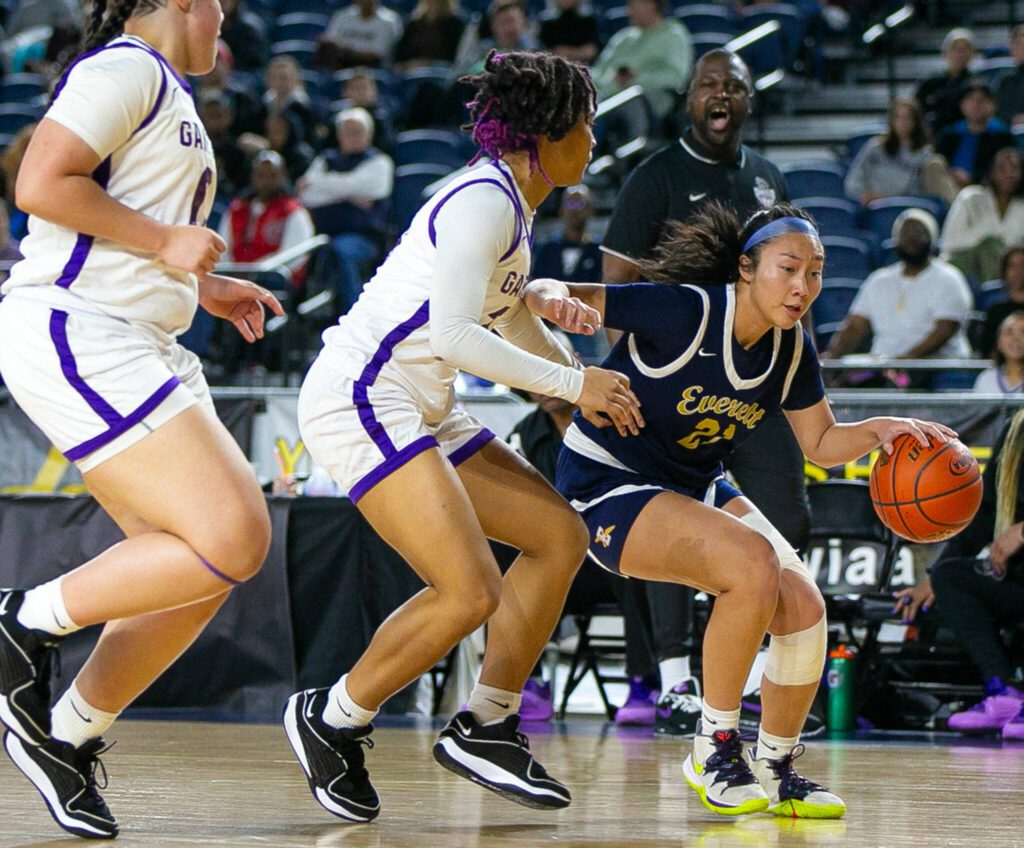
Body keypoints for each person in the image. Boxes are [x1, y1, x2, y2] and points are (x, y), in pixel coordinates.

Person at [282, 50, 642, 822]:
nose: (593, 142)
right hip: (364, 394)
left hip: (424, 403)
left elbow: (505, 320)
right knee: (470, 589)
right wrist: (579, 387)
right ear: (546, 134)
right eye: (585, 127)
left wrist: (576, 376)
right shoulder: (484, 199)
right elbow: (452, 335)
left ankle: (487, 723)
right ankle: (335, 715)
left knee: (557, 535)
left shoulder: (515, 204)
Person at [528, 201, 953, 817]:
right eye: (788, 268)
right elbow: (548, 289)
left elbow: (822, 444)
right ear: (745, 270)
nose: (803, 286)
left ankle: (777, 767)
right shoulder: (688, 310)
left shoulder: (791, 348)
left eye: (815, 272)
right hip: (606, 482)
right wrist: (554, 303)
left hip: (693, 483)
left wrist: (882, 428)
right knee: (752, 564)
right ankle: (713, 747)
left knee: (805, 607)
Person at [0, 0, 285, 839]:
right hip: (80, 329)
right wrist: (167, 244)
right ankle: (22, 621)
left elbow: (120, 223)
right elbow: (40, 184)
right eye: (219, 6)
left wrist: (197, 284)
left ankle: (67, 736)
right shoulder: (122, 68)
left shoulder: (164, 89)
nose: (226, 23)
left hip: (139, 336)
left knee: (197, 570)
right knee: (235, 536)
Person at [600, 48, 800, 739]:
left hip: (749, 383)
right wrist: (612, 377)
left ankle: (745, 680)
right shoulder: (656, 177)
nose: (721, 94)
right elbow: (616, 284)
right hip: (672, 377)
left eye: (735, 86)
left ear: (748, 100)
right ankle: (674, 681)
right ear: (689, 98)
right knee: (667, 521)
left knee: (785, 517)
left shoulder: (769, 179)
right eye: (709, 84)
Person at [894, 410, 1024, 740]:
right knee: (952, 577)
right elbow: (985, 516)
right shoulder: (1015, 431)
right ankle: (1005, 692)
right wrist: (933, 578)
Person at [824, 209, 974, 362]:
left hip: (933, 364)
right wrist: (831, 358)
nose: (911, 239)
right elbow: (855, 327)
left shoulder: (949, 278)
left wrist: (905, 362)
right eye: (905, 234)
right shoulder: (879, 280)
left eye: (919, 233)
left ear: (932, 238)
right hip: (883, 364)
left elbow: (945, 330)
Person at [297, 107, 394, 314]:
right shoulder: (326, 159)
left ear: (369, 134)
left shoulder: (380, 162)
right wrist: (350, 193)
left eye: (357, 131)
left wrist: (324, 186)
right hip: (319, 236)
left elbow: (316, 188)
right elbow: (306, 195)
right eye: (346, 132)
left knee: (341, 251)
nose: (351, 137)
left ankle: (351, 314)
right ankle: (300, 318)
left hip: (363, 237)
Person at [532, 184, 605, 361]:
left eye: (580, 205)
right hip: (548, 325)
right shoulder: (546, 249)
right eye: (569, 204)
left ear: (591, 210)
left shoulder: (599, 251)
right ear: (561, 209)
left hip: (583, 327)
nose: (574, 211)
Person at [591, 0, 693, 122]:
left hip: (644, 102)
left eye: (633, 5)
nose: (629, 11)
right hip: (606, 97)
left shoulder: (673, 36)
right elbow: (598, 71)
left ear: (651, 5)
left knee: (628, 104)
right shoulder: (623, 38)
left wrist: (635, 79)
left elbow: (675, 78)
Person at [843, 98, 953, 206]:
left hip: (907, 207)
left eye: (908, 118)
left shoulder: (925, 153)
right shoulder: (875, 147)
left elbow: (920, 191)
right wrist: (863, 195)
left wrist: (888, 199)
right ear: (891, 120)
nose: (903, 123)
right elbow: (853, 180)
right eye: (898, 117)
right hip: (872, 207)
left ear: (916, 122)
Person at [940, 145, 1024, 284]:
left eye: (1014, 168)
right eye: (1002, 168)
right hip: (970, 264)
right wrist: (987, 237)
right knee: (988, 247)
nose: (1008, 174)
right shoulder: (970, 197)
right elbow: (949, 242)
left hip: (1013, 271)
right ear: (992, 171)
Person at [935, 79, 1015, 190]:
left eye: (981, 100)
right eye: (971, 100)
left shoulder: (1003, 137)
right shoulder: (949, 135)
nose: (976, 105)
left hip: (984, 191)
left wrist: (971, 179)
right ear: (962, 105)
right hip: (947, 188)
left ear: (992, 105)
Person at [915, 27, 975, 136]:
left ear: (971, 53)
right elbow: (917, 110)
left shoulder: (977, 83)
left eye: (964, 49)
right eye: (955, 49)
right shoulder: (930, 83)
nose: (959, 54)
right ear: (945, 52)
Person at [317, 0, 403, 70]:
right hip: (341, 63)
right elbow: (329, 40)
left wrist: (347, 50)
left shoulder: (389, 20)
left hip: (373, 67)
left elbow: (377, 54)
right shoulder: (342, 16)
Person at [974, 246, 1024, 357]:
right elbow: (987, 349)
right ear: (1005, 271)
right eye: (1012, 266)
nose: (1018, 272)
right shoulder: (996, 311)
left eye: (1022, 265)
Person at [393, 0, 466, 69]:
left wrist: (426, 64)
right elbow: (399, 59)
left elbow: (456, 59)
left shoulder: (456, 24)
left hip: (442, 73)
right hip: (412, 73)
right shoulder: (414, 24)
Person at [973, 311, 1024, 394]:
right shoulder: (986, 379)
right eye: (1009, 332)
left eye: (1023, 332)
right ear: (999, 343)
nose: (1016, 338)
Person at [538, 0, 600, 66]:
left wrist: (571, 53)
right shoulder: (546, 24)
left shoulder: (589, 21)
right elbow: (543, 52)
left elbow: (591, 51)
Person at [996, 24, 1024, 129]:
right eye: (1018, 43)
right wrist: (1014, 119)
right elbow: (999, 111)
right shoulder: (1005, 80)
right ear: (1012, 48)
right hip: (1011, 133)